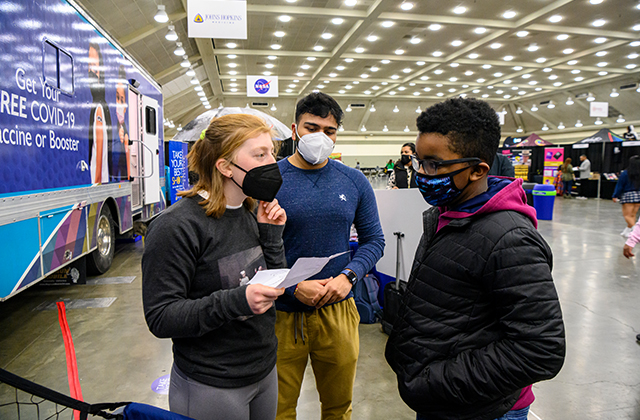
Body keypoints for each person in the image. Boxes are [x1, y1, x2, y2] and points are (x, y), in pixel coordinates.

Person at [385, 97, 565, 420]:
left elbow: (541, 350)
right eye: (419, 162)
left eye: (433, 165)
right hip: (443, 404)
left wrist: (436, 381)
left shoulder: (509, 237)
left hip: (482, 411)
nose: (422, 174)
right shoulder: (446, 214)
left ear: (478, 170)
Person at [142, 114, 288, 420]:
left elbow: (275, 285)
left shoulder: (250, 211)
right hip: (211, 382)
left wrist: (272, 235)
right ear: (225, 166)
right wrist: (238, 300)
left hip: (263, 370)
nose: (271, 162)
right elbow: (161, 316)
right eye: (259, 154)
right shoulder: (177, 226)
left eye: (271, 152)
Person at [274, 92, 385, 420]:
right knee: (278, 409)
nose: (320, 137)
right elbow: (253, 247)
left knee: (338, 407)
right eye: (312, 127)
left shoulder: (353, 181)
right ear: (295, 129)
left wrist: (348, 277)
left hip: (337, 311)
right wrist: (293, 287)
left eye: (330, 130)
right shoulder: (270, 180)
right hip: (279, 313)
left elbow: (373, 241)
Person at [87, 42, 111, 184]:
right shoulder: (99, 107)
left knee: (99, 153)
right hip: (98, 113)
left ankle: (98, 181)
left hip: (99, 112)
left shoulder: (99, 109)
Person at [613, 156, 640, 237]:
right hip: (638, 195)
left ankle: (636, 231)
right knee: (633, 215)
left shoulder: (625, 173)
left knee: (627, 215)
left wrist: (615, 195)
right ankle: (627, 231)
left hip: (628, 195)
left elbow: (620, 185)